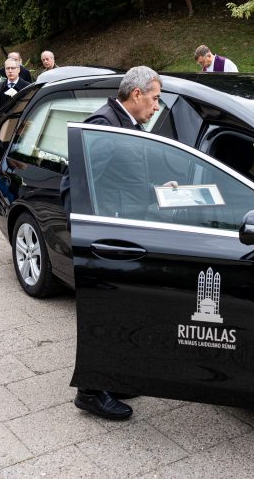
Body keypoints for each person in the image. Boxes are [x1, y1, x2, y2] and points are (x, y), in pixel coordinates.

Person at [67, 66, 163, 422]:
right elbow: (73, 185)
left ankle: (113, 378)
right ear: (136, 95)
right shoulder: (104, 127)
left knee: (123, 310)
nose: (156, 107)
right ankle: (91, 392)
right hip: (107, 241)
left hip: (126, 235)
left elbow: (121, 180)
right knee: (104, 314)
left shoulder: (127, 124)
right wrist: (86, 238)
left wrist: (156, 192)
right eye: (154, 99)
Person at [0, 56, 30, 169]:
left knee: (17, 160)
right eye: (7, 68)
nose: (10, 71)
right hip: (3, 129)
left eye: (13, 68)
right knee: (0, 160)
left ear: (19, 69)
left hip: (20, 129)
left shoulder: (27, 87)